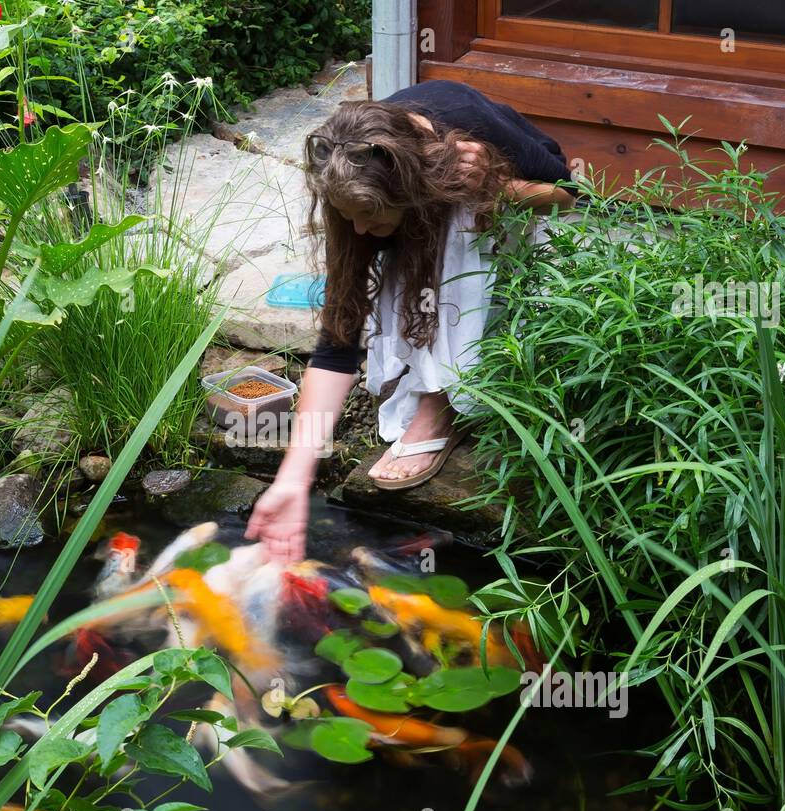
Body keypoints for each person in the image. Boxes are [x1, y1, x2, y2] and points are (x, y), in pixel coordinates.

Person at [245, 79, 577, 563]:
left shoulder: (471, 128)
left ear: (411, 187)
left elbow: (568, 196)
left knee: (459, 225)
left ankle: (440, 400)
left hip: (520, 209)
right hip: (424, 208)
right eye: (347, 214)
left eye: (369, 214)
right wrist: (293, 480)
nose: (358, 228)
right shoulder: (354, 176)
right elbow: (337, 344)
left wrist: (498, 188)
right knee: (405, 260)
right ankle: (434, 374)